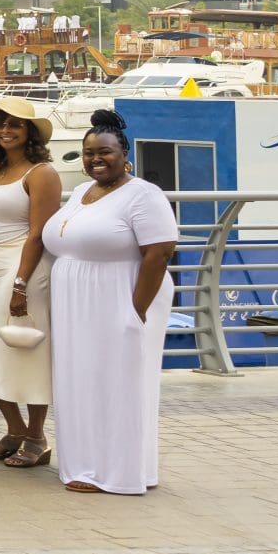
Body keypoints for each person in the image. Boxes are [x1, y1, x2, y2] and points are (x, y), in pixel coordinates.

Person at [43, 108, 180, 496]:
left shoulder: (143, 195)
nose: (95, 159)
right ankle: (84, 464)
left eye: (104, 152)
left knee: (119, 384)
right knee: (80, 381)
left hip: (121, 295)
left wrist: (135, 311)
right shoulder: (84, 193)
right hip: (78, 303)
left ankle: (118, 472)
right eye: (88, 153)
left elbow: (159, 253)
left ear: (125, 155)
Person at [0, 97, 62, 469]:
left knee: (28, 354)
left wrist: (21, 283)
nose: (5, 129)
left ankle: (37, 436)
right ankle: (15, 429)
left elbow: (40, 233)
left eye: (14, 124)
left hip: (24, 268)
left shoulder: (41, 173)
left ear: (30, 132)